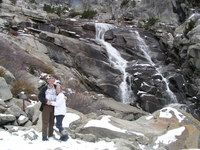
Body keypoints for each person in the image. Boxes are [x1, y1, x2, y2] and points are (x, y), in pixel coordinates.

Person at [38, 75, 56, 141]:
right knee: (45, 121)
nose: (51, 82)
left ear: (54, 81)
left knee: (52, 122)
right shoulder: (44, 88)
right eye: (50, 81)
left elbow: (60, 93)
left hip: (54, 107)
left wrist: (64, 97)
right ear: (48, 81)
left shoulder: (56, 87)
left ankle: (50, 135)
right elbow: (40, 96)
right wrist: (46, 101)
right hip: (46, 106)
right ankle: (44, 136)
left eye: (52, 81)